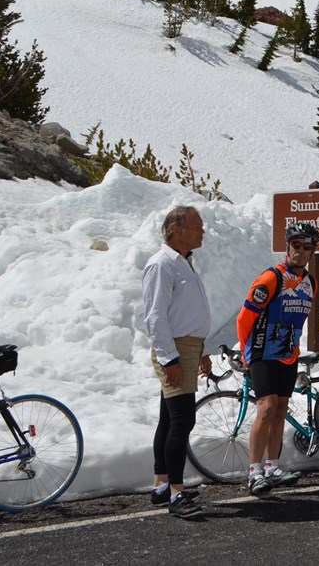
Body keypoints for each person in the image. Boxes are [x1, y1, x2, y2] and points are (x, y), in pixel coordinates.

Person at [237, 221, 319, 496]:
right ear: (288, 247)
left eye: (306, 246)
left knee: (281, 409)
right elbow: (244, 318)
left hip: (287, 355)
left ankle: (272, 467)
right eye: (295, 245)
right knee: (267, 407)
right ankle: (254, 472)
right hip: (262, 352)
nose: (300, 250)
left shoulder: (311, 283)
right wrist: (247, 355)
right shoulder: (271, 278)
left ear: (312, 251)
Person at [143, 205, 212, 519]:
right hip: (174, 351)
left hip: (187, 348)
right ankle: (176, 493)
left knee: (169, 419)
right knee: (183, 420)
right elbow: (155, 317)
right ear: (177, 230)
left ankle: (161, 484)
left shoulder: (184, 262)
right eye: (197, 225)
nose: (202, 231)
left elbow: (187, 313)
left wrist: (202, 349)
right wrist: (169, 357)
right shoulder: (161, 264)